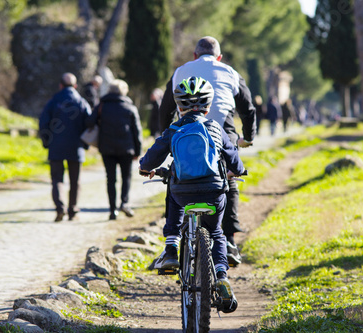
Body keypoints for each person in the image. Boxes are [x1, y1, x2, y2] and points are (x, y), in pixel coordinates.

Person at [140, 76, 244, 313]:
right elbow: (235, 163)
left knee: (173, 194)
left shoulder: (174, 129)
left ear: (179, 106)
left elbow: (150, 159)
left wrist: (146, 168)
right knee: (216, 231)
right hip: (213, 190)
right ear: (208, 106)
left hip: (182, 192)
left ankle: (170, 250)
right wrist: (237, 171)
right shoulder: (216, 128)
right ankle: (221, 276)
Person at [158, 36, 256, 267]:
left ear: (194, 55)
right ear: (219, 57)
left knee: (176, 177)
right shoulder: (231, 72)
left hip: (185, 134)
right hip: (222, 133)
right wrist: (248, 138)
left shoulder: (181, 71)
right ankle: (229, 240)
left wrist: (167, 139)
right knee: (229, 178)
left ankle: (171, 244)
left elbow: (165, 109)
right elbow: (248, 108)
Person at [86, 79, 142, 220]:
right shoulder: (129, 107)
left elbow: (89, 122)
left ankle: (112, 210)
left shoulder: (102, 105)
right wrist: (138, 151)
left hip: (107, 148)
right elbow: (137, 131)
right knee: (126, 177)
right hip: (127, 149)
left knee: (110, 179)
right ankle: (124, 203)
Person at [39, 73, 92, 222]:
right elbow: (89, 123)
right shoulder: (81, 102)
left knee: (57, 179)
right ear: (75, 86)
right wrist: (85, 144)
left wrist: (46, 141)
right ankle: (73, 211)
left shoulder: (53, 101)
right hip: (76, 147)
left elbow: (43, 122)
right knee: (75, 181)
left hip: (56, 146)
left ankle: (59, 208)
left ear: (60, 85)